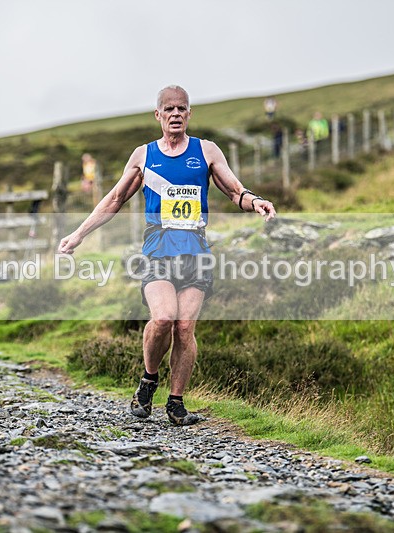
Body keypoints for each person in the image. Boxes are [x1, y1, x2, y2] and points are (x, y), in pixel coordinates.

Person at [58, 85, 276, 425]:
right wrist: (78, 234)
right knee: (162, 319)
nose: (175, 114)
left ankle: (176, 403)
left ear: (190, 114)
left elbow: (235, 191)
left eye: (182, 109)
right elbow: (115, 199)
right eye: (169, 109)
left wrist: (255, 201)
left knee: (184, 326)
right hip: (157, 252)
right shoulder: (144, 156)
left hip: (195, 253)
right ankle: (148, 379)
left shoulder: (206, 151)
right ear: (157, 115)